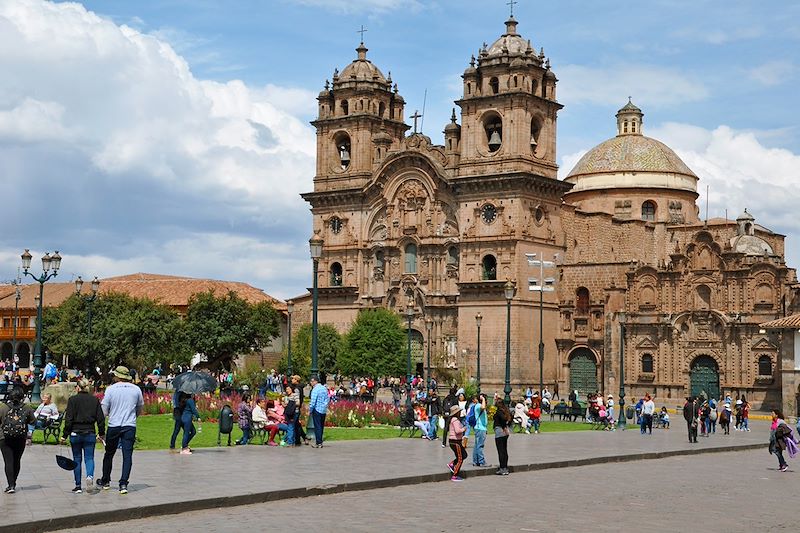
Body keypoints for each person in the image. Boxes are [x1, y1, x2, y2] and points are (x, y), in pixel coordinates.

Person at [97, 366, 144, 494]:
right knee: (127, 455)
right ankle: (123, 483)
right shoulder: (136, 389)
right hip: (129, 425)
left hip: (114, 424)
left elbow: (104, 410)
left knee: (109, 453)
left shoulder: (111, 389)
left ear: (117, 376)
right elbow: (140, 408)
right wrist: (133, 416)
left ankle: (105, 480)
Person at [61, 378, 105, 493]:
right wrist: (101, 433)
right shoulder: (94, 400)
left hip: (75, 432)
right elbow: (100, 419)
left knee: (77, 458)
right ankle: (89, 476)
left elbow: (69, 419)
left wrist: (64, 435)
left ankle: (78, 485)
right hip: (90, 431)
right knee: (89, 458)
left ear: (78, 388)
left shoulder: (72, 400)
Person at [1, 387, 35, 494]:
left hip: (4, 438)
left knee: (8, 461)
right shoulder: (27, 408)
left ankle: (10, 485)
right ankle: (13, 483)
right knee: (16, 460)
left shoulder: (3, 408)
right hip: (20, 438)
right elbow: (33, 421)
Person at [446, 404, 466, 482]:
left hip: (455, 441)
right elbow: (457, 431)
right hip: (455, 441)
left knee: (464, 455)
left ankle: (452, 464)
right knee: (460, 458)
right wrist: (464, 429)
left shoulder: (454, 419)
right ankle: (455, 475)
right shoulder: (455, 420)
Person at [309, 375, 329, 448]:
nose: (311, 383)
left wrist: (310, 410)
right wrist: (325, 406)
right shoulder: (324, 388)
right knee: (321, 426)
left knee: (317, 426)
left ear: (315, 381)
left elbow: (313, 401)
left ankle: (318, 442)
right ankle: (320, 441)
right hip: (323, 410)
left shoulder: (315, 389)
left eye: (311, 381)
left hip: (317, 409)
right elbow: (327, 399)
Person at [493, 394, 512, 476]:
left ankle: (502, 468)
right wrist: (507, 427)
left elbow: (503, 419)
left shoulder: (499, 411)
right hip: (505, 433)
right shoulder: (506, 410)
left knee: (501, 451)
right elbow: (510, 418)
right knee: (504, 450)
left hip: (500, 432)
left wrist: (504, 426)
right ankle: (505, 467)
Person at [472, 394, 489, 467]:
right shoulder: (479, 405)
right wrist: (483, 399)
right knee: (480, 445)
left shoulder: (477, 406)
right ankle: (482, 461)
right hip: (480, 428)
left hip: (480, 428)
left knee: (477, 445)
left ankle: (476, 461)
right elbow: (483, 407)